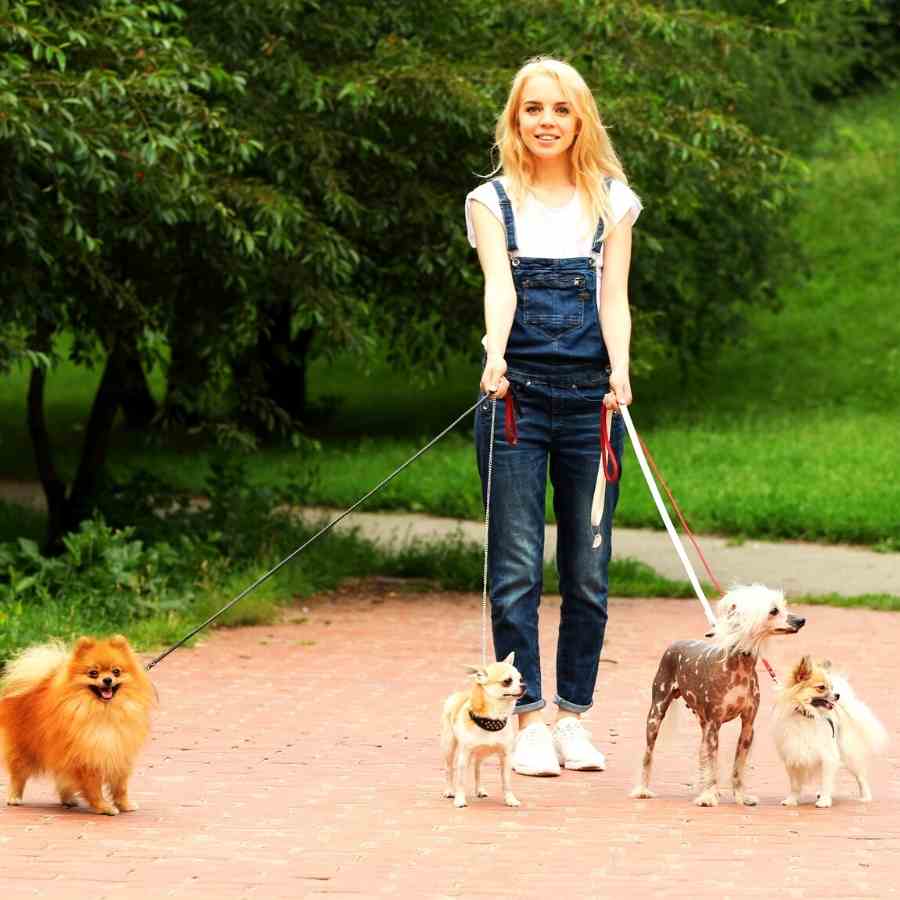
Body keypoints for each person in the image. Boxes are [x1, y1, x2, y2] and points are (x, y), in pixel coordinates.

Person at [467, 57, 641, 776]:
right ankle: (530, 719)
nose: (546, 121)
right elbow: (499, 291)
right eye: (533, 108)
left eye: (560, 109)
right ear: (515, 119)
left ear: (580, 119)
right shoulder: (489, 202)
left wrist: (621, 371)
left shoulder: (613, 202)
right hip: (516, 401)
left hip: (591, 404)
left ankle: (574, 715)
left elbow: (614, 300)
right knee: (513, 571)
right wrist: (495, 354)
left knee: (588, 570)